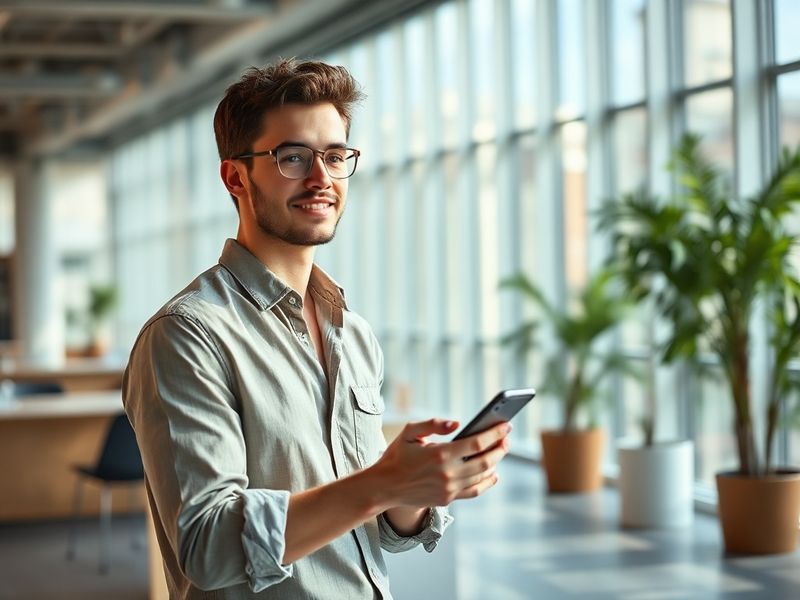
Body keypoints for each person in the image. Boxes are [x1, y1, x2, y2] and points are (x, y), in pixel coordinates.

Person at [123, 58, 511, 600]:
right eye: (293, 158)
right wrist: (383, 481)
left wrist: (415, 488)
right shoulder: (187, 336)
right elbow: (208, 548)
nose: (321, 178)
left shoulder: (352, 334)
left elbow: (372, 531)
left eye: (334, 156)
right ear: (236, 176)